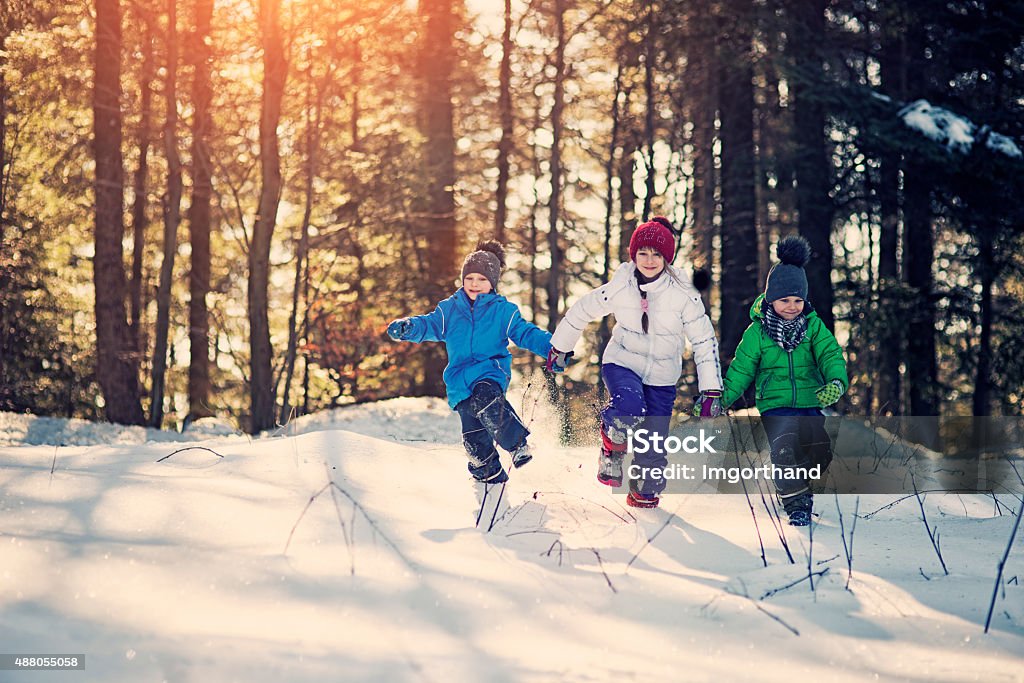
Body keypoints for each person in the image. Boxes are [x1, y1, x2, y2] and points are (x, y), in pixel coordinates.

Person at [547, 217, 724, 508]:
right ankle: (612, 447)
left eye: (657, 254)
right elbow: (582, 310)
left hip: (662, 376)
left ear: (667, 258)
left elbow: (704, 341)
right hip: (622, 362)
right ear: (633, 254)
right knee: (629, 407)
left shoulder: (683, 294)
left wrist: (711, 389)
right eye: (643, 252)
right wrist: (561, 347)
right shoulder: (621, 286)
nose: (649, 260)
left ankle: (644, 494)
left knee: (653, 446)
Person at [387, 241, 552, 484]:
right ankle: (490, 478)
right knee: (474, 438)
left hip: (489, 373)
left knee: (486, 400)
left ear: (493, 283)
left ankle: (517, 445)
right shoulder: (449, 310)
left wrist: (552, 349)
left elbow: (525, 333)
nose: (475, 284)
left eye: (482, 279)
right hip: (459, 382)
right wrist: (409, 327)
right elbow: (429, 325)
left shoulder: (503, 311)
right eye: (470, 278)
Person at [720, 235, 848, 526]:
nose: (791, 306)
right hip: (775, 405)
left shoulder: (813, 327)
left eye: (797, 300)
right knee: (785, 445)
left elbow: (831, 356)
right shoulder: (758, 333)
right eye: (784, 300)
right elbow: (741, 370)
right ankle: (796, 502)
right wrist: (722, 399)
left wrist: (836, 383)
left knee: (818, 449)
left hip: (810, 401)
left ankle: (796, 480)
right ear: (770, 299)